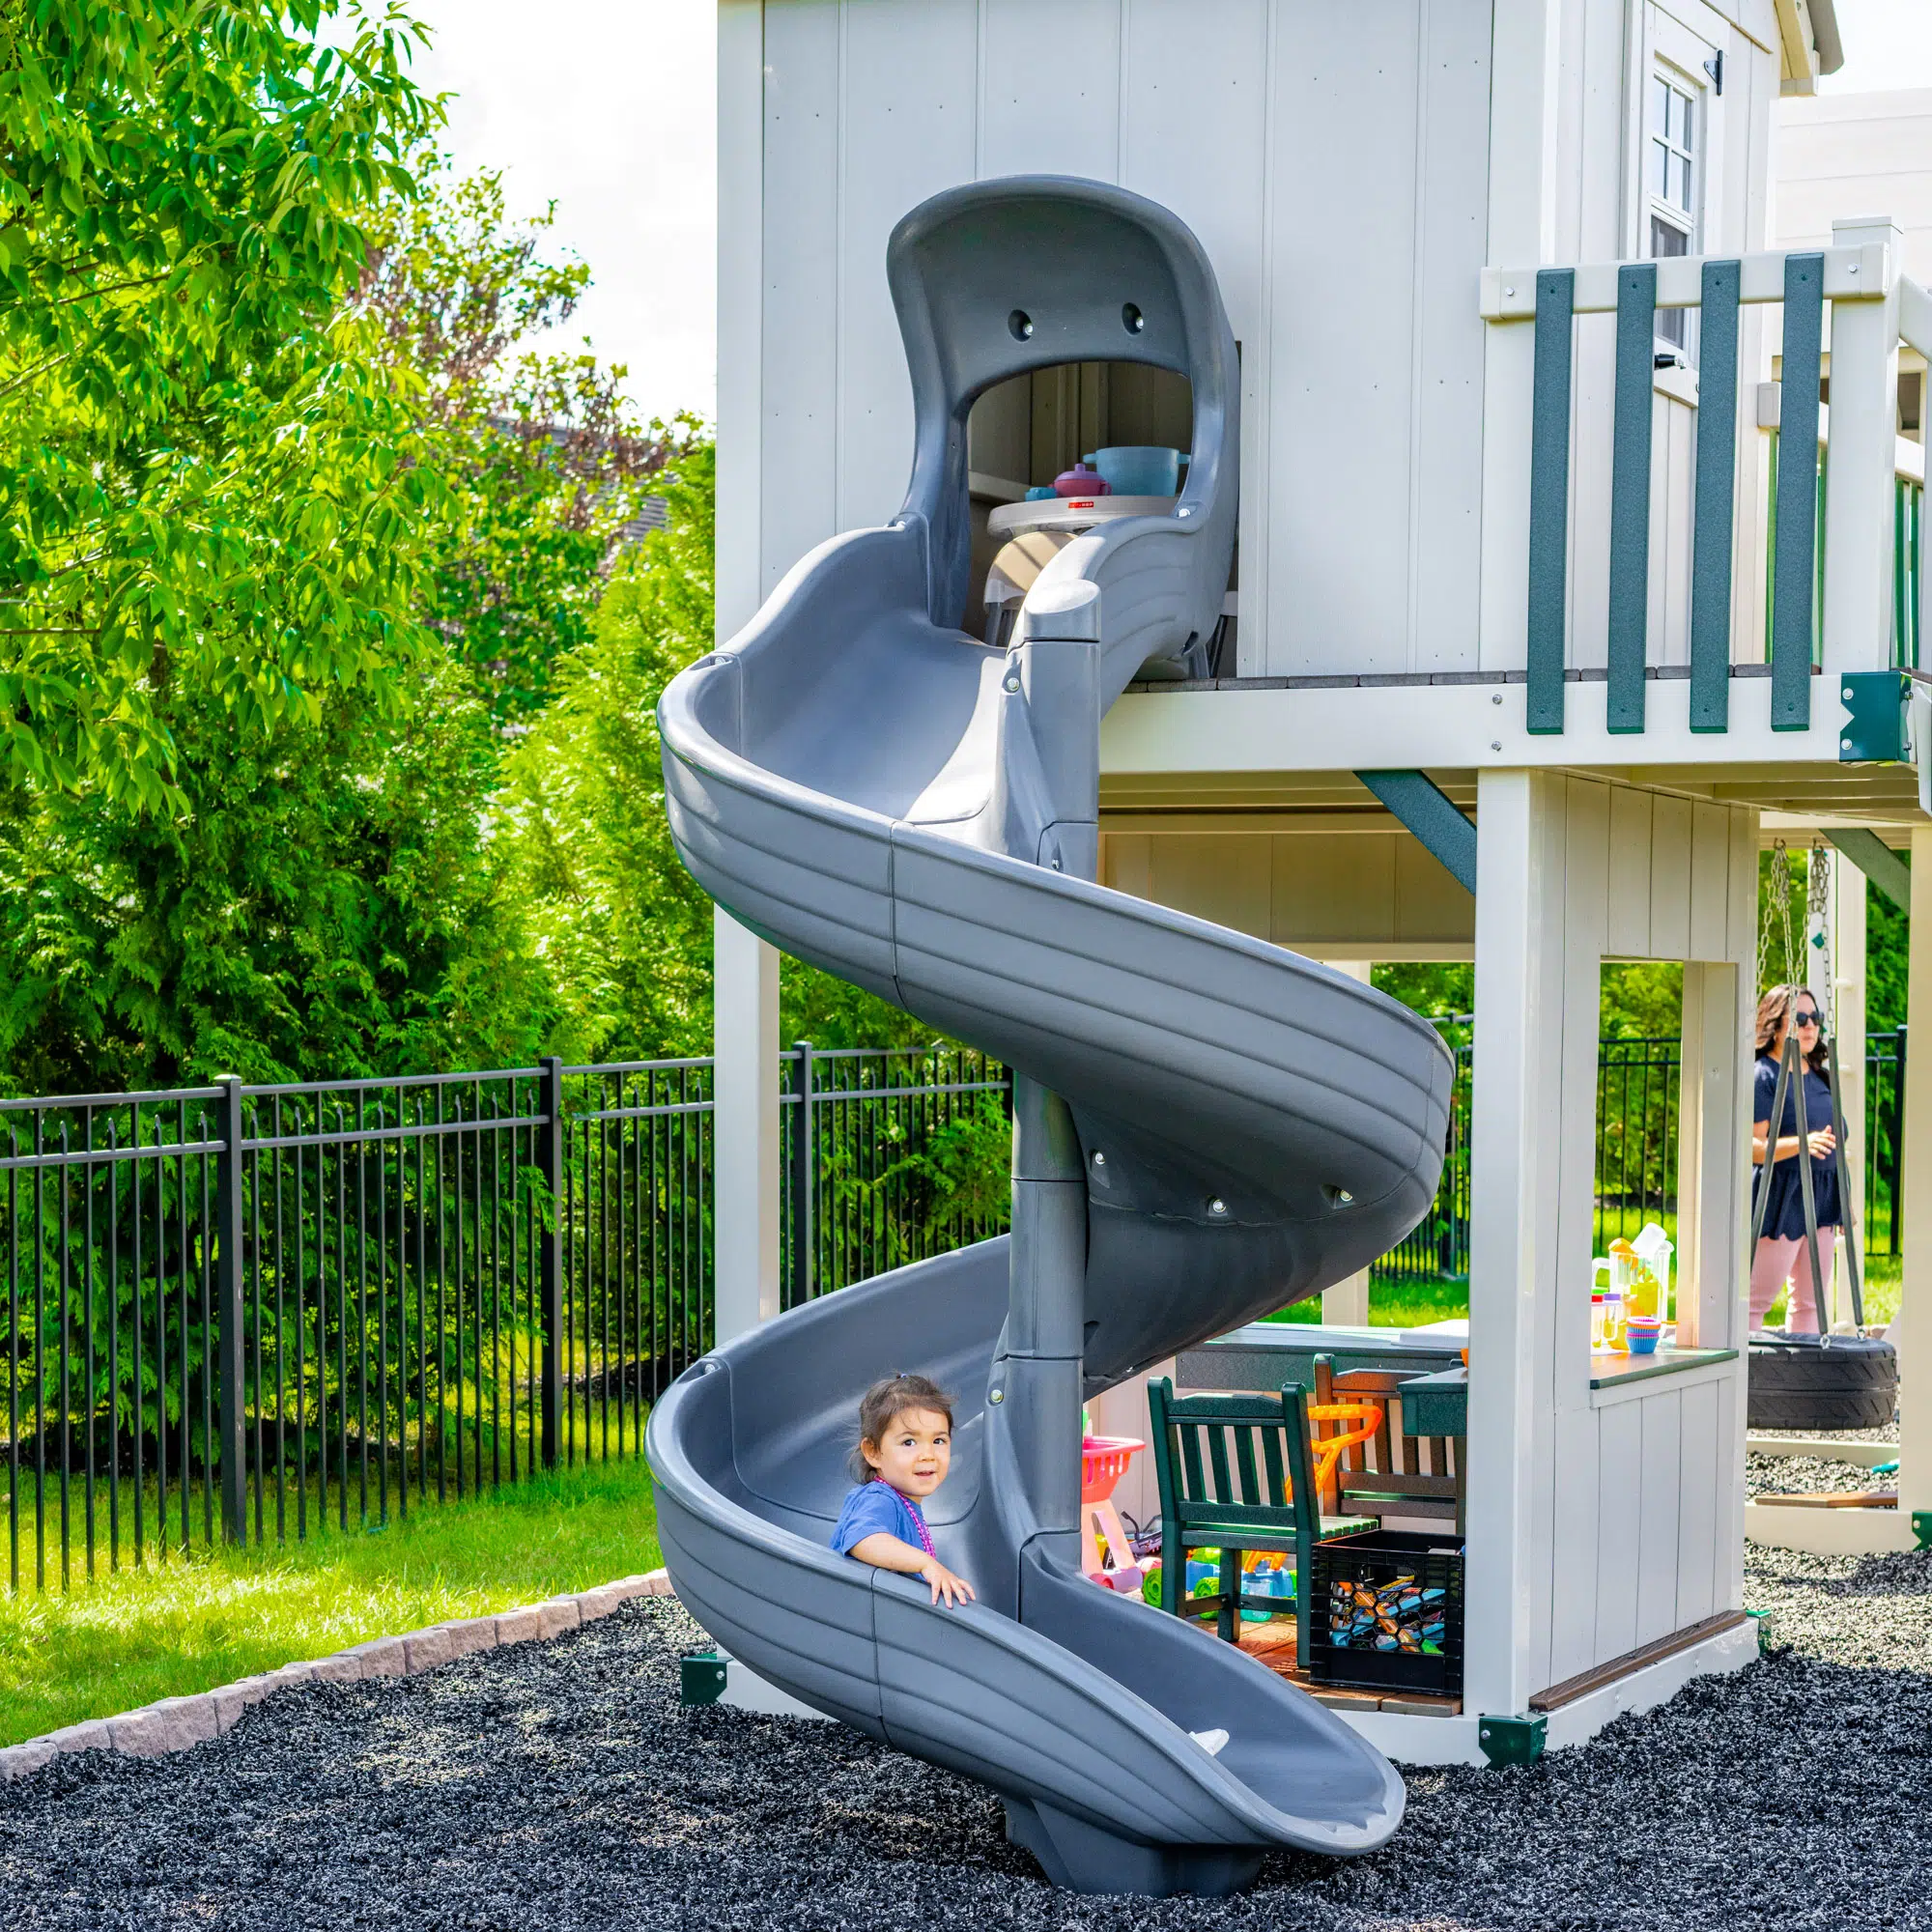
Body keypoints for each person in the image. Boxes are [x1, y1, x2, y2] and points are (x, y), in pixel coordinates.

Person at [831, 1373, 977, 1606]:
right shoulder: (879, 1499)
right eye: (909, 1442)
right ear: (873, 1452)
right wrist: (925, 1564)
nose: (927, 1455)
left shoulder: (903, 1500)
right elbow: (863, 1538)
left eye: (938, 1441)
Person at [1748, 984, 1841, 1334]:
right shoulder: (1764, 1076)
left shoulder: (1820, 1076)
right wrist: (1803, 1143)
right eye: (1800, 1018)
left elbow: (1834, 1144)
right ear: (1776, 1024)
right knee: (1756, 1300)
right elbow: (1755, 1146)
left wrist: (1841, 1204)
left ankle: (1804, 1384)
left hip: (1822, 1198)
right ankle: (1749, 1382)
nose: (1810, 1026)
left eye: (1814, 1018)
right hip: (1782, 1196)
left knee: (1811, 1302)